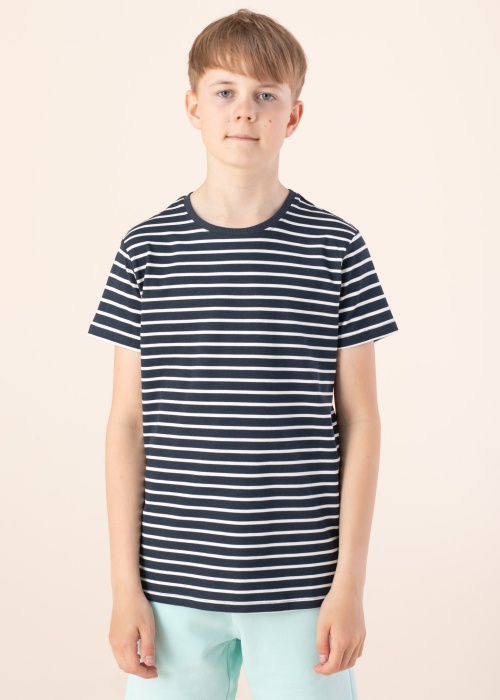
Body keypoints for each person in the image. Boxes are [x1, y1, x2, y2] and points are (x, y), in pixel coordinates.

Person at [87, 8, 399, 700]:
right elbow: (128, 424)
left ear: (294, 116)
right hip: (171, 586)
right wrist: (124, 588)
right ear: (193, 107)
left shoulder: (336, 247)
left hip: (302, 586)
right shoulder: (146, 249)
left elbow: (361, 421)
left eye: (266, 94)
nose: (245, 111)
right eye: (225, 91)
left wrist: (349, 584)